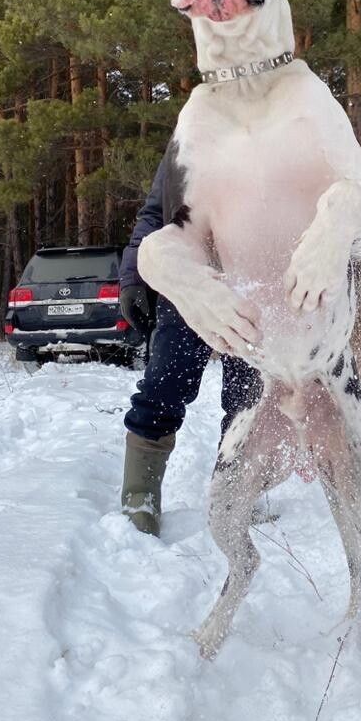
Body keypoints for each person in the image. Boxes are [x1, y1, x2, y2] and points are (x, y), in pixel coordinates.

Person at [118, 156, 261, 536]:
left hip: (253, 285)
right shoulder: (191, 139)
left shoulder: (276, 134)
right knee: (165, 382)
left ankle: (236, 491)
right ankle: (140, 492)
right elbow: (156, 212)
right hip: (188, 281)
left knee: (249, 396)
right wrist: (133, 277)